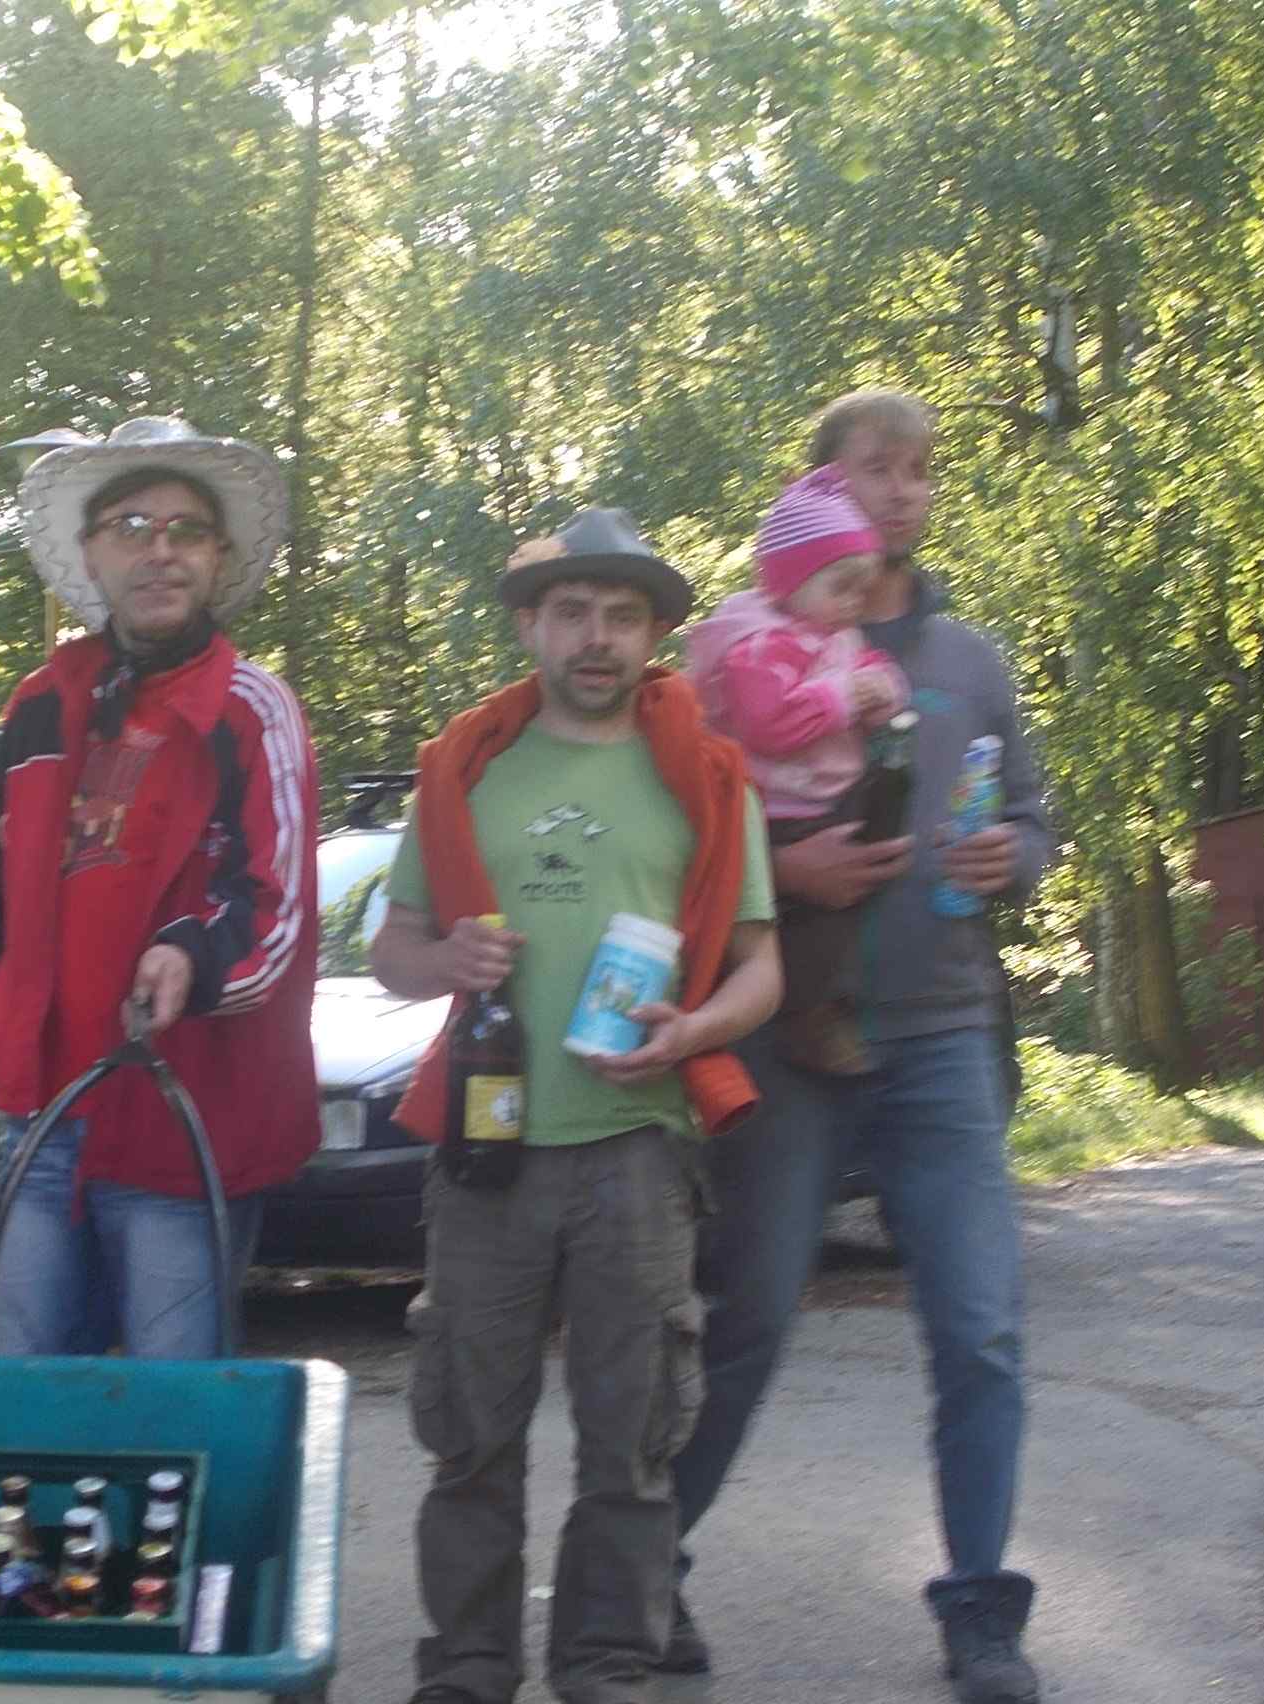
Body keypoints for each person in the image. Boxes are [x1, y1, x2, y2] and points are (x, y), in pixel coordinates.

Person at [664, 389, 1054, 1704]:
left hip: (942, 1034)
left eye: (922, 471)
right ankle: (649, 1565)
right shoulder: (743, 645)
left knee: (981, 1331)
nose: (904, 490)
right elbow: (681, 827)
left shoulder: (969, 662)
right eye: (877, 467)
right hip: (784, 1036)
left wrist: (1015, 857)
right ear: (820, 483)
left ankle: (981, 1609)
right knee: (749, 1319)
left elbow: (1034, 819)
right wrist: (787, 868)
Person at [370, 508, 783, 1704]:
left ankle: (606, 1666)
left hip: (639, 1154)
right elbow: (392, 949)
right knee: (470, 1439)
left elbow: (760, 967)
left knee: (633, 1446)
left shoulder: (707, 780)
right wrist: (440, 962)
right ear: (530, 626)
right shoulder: (464, 770)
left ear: (653, 634)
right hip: (485, 1149)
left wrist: (692, 1032)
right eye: (571, 613)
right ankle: (467, 1667)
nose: (595, 637)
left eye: (620, 616)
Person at [0, 416, 321, 1358]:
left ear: (217, 558)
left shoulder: (251, 708)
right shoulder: (38, 704)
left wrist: (192, 954)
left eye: (187, 530)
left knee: (169, 1401)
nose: (160, 551)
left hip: (184, 1122)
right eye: (132, 527)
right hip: (44, 1114)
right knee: (14, 1391)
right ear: (92, 554)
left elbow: (279, 915)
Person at [687, 463, 910, 1074]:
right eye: (842, 587)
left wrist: (881, 694)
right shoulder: (760, 644)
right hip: (776, 810)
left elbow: (874, 670)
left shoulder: (834, 632)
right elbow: (770, 725)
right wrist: (844, 697)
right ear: (791, 581)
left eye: (861, 589)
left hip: (828, 797)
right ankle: (805, 1014)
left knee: (867, 865)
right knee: (804, 924)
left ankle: (833, 999)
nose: (854, 603)